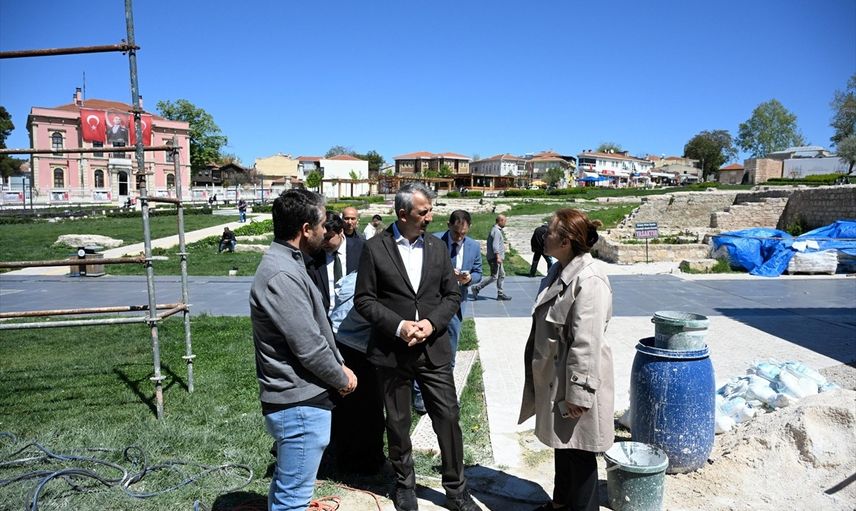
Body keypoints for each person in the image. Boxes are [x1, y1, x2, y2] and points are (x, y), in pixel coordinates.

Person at [354, 183, 481, 511]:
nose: (430, 217)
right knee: (397, 422)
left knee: (448, 417)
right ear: (403, 214)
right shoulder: (375, 248)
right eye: (424, 212)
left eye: (430, 211)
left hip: (433, 350)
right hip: (392, 352)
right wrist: (399, 326)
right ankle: (404, 485)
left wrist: (430, 324)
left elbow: (451, 295)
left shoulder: (437, 247)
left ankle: (456, 490)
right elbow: (364, 299)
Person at [249, 189, 357, 511]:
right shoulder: (282, 274)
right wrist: (342, 377)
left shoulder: (290, 263)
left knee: (288, 492)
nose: (327, 230)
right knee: (293, 501)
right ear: (306, 229)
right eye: (322, 224)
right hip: (298, 404)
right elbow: (309, 347)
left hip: (300, 401)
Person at [518, 209, 614, 511]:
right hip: (558, 378)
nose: (544, 234)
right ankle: (559, 504)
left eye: (550, 230)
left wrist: (579, 393)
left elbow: (587, 342)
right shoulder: (559, 270)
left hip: (575, 380)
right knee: (564, 445)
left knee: (580, 454)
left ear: (566, 241)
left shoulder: (590, 279)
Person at [307, 212, 385, 475]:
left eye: (328, 238)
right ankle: (342, 455)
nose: (324, 242)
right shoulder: (313, 257)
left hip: (360, 339)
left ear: (340, 232)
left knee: (368, 400)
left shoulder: (363, 250)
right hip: (328, 339)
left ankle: (371, 457)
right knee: (339, 400)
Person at [412, 210, 483, 414]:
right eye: (456, 233)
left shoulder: (473, 246)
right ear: (449, 225)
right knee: (423, 349)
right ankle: (419, 394)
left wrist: (469, 279)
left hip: (455, 305)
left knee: (449, 351)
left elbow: (479, 271)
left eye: (463, 233)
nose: (459, 237)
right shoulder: (433, 241)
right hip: (431, 303)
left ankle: (444, 394)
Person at [471, 214, 511, 301]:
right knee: (494, 276)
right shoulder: (496, 231)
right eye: (505, 221)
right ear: (500, 221)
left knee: (502, 274)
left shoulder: (496, 230)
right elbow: (495, 246)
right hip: (494, 258)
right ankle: (477, 288)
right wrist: (498, 257)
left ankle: (500, 294)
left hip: (496, 258)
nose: (505, 223)